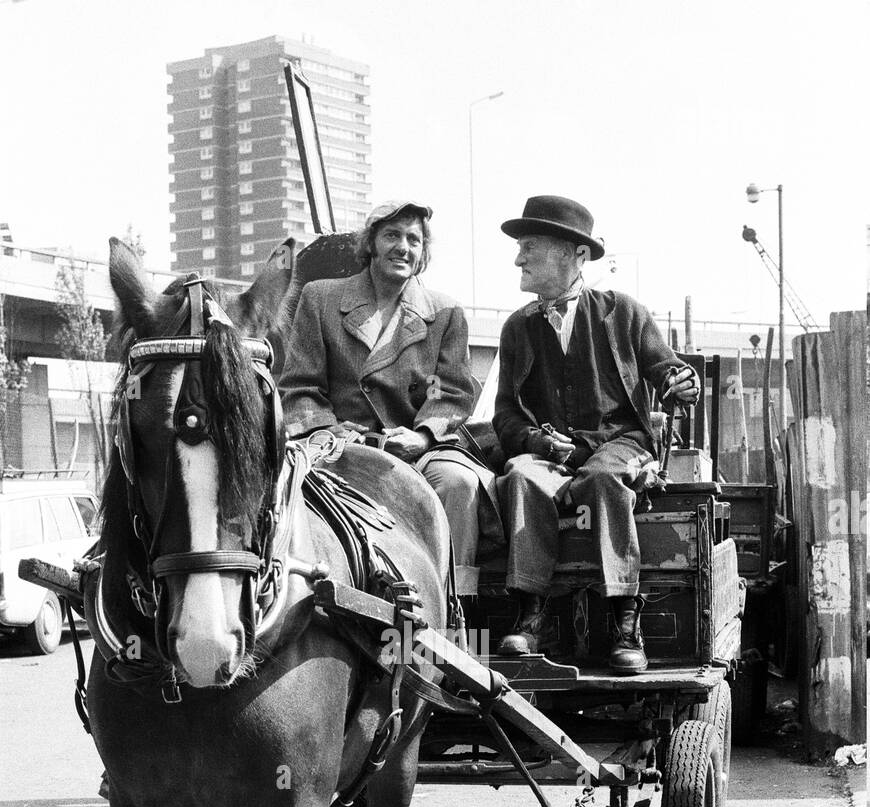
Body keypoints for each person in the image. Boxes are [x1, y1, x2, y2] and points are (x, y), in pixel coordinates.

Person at [493, 195, 700, 671]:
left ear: (575, 255)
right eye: (520, 248)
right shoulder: (516, 328)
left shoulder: (623, 312)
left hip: (620, 442)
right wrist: (534, 443)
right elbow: (506, 414)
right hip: (553, 453)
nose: (518, 259)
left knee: (605, 480)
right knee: (522, 476)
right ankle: (529, 616)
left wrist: (677, 381)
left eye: (530, 247)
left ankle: (627, 620)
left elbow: (665, 368)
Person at [279, 199, 502, 593]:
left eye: (414, 240)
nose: (403, 247)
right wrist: (329, 433)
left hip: (420, 449)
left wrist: (422, 436)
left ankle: (454, 603)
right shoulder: (321, 298)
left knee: (458, 483)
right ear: (370, 244)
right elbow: (300, 387)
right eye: (392, 235)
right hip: (341, 445)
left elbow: (452, 391)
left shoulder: (445, 312)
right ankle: (317, 594)